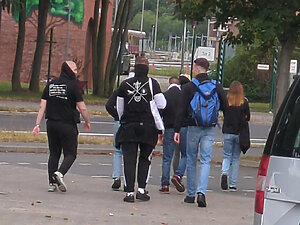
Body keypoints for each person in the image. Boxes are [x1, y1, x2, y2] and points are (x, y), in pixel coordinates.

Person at [174, 57, 228, 207]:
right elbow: (225, 105)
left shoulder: (190, 87)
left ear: (197, 68)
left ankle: (191, 194)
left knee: (191, 158)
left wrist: (177, 129)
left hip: (193, 126)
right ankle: (201, 193)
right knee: (205, 160)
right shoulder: (216, 86)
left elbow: (181, 110)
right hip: (209, 127)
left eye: (193, 67)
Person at [32, 61, 90, 192]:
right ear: (68, 70)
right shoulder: (73, 86)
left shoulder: (51, 84)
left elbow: (42, 106)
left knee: (54, 153)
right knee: (71, 154)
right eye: (74, 69)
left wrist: (37, 124)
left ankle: (52, 183)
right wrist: (87, 121)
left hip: (51, 124)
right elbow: (82, 107)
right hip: (67, 124)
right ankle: (60, 173)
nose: (76, 72)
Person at [115, 56, 166, 203]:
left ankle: (129, 192)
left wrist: (125, 118)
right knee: (145, 158)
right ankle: (142, 190)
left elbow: (120, 108)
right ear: (147, 68)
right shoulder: (152, 83)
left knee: (129, 159)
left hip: (129, 126)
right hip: (148, 127)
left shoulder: (124, 84)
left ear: (134, 67)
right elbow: (162, 104)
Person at [105, 72, 135, 191]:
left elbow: (108, 105)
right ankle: (129, 181)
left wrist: (117, 116)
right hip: (133, 123)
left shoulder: (120, 89)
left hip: (119, 122)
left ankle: (116, 177)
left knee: (117, 151)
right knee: (131, 153)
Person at [221, 81, 250, 191]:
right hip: (238, 133)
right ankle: (232, 183)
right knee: (236, 158)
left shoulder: (226, 101)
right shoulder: (244, 102)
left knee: (226, 156)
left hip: (227, 131)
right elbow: (248, 117)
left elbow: (224, 114)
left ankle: (224, 173)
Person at [159, 76, 187, 194]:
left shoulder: (165, 96)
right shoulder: (184, 96)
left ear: (169, 84)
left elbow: (159, 114)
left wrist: (159, 131)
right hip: (183, 128)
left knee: (167, 157)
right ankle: (178, 174)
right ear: (179, 84)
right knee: (185, 154)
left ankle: (165, 185)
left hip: (169, 128)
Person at [172, 74, 190, 174]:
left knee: (176, 153)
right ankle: (179, 174)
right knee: (185, 154)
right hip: (186, 126)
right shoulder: (188, 95)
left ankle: (175, 172)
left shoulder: (176, 95)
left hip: (176, 126)